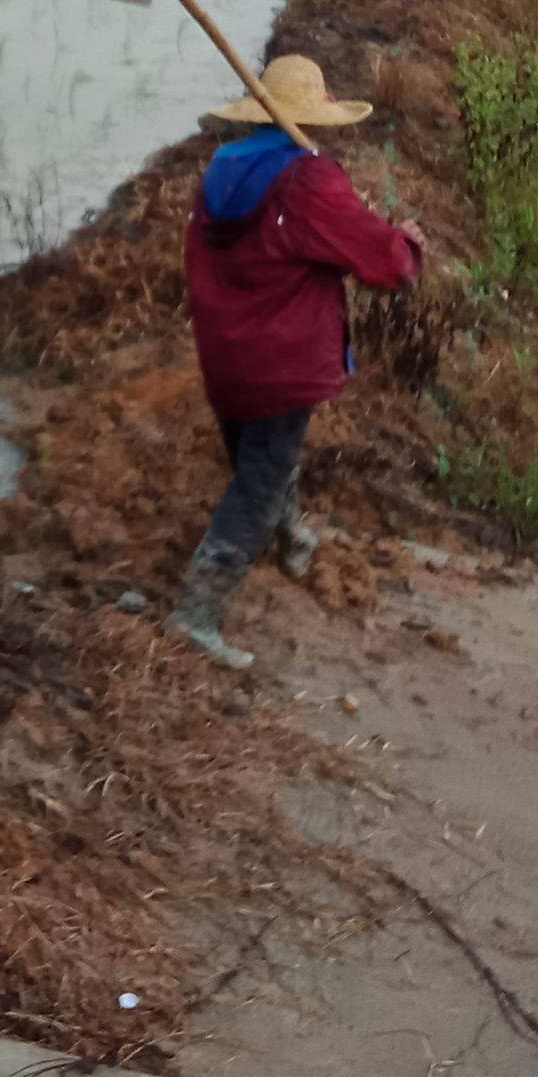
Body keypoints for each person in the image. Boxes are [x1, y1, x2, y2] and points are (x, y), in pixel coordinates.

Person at [170, 53, 426, 668]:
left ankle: (291, 539)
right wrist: (410, 244)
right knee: (258, 482)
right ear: (312, 114)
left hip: (225, 354)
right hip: (282, 361)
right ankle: (195, 614)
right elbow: (384, 263)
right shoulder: (308, 180)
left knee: (259, 458)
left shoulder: (221, 172)